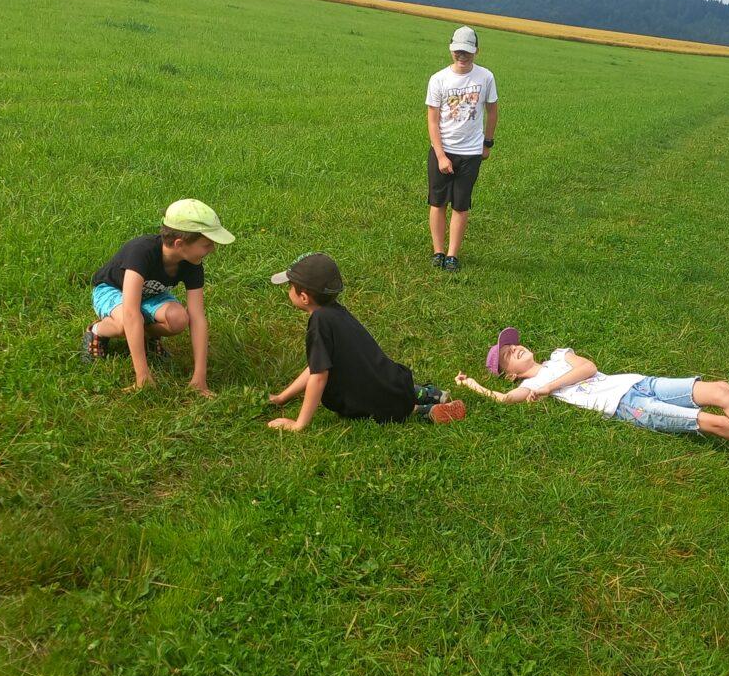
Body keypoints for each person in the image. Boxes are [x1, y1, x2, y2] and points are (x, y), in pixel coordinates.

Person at [454, 327, 729, 486]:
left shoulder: (560, 357)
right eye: (507, 355)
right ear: (511, 374)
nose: (515, 349)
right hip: (627, 406)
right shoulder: (526, 388)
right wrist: (472, 385)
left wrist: (550, 386)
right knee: (716, 424)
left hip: (637, 382)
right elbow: (502, 400)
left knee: (722, 390)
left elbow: (588, 368)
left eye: (514, 345)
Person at [267, 252, 466, 431]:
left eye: (290, 286)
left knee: (387, 407)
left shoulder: (319, 323)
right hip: (395, 381)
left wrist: (299, 424)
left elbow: (318, 376)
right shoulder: (336, 312)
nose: (288, 289)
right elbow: (316, 365)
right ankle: (428, 394)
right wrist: (282, 397)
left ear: (303, 297)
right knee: (393, 392)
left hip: (372, 401)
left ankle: (423, 410)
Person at [82, 198, 235, 394]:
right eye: (207, 244)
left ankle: (143, 337)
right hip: (113, 290)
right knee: (124, 324)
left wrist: (200, 377)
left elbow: (197, 317)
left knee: (179, 319)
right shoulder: (141, 251)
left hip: (151, 294)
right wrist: (142, 376)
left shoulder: (192, 263)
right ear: (179, 243)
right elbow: (130, 313)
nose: (212, 249)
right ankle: (97, 330)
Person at [425, 25, 498, 272]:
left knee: (460, 204)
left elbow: (492, 111)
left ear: (477, 50)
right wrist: (440, 155)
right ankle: (438, 251)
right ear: (451, 49)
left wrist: (487, 143)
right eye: (458, 51)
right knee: (437, 202)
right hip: (442, 150)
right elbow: (432, 120)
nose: (462, 56)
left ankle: (452, 255)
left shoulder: (485, 77)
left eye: (467, 51)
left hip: (471, 153)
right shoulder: (438, 79)